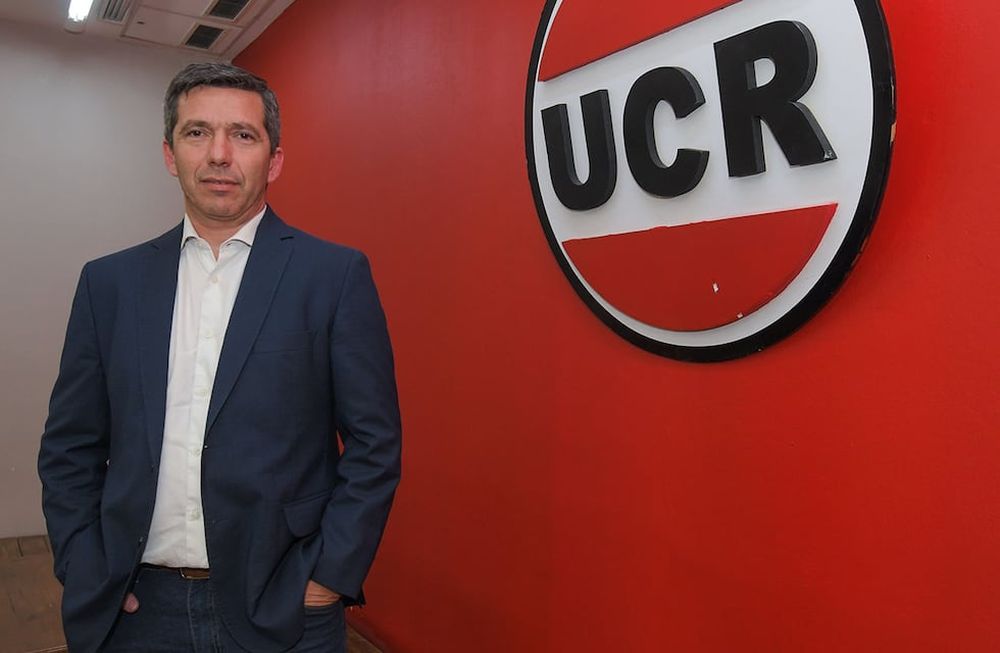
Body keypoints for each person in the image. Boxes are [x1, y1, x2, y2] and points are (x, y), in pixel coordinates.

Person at [37, 62, 402, 652]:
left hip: (284, 607)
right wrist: (83, 565)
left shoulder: (333, 277)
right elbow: (70, 446)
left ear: (274, 159)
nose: (219, 154)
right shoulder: (109, 284)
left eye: (244, 135)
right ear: (169, 152)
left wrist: (329, 575)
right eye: (198, 132)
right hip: (136, 611)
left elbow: (374, 444)